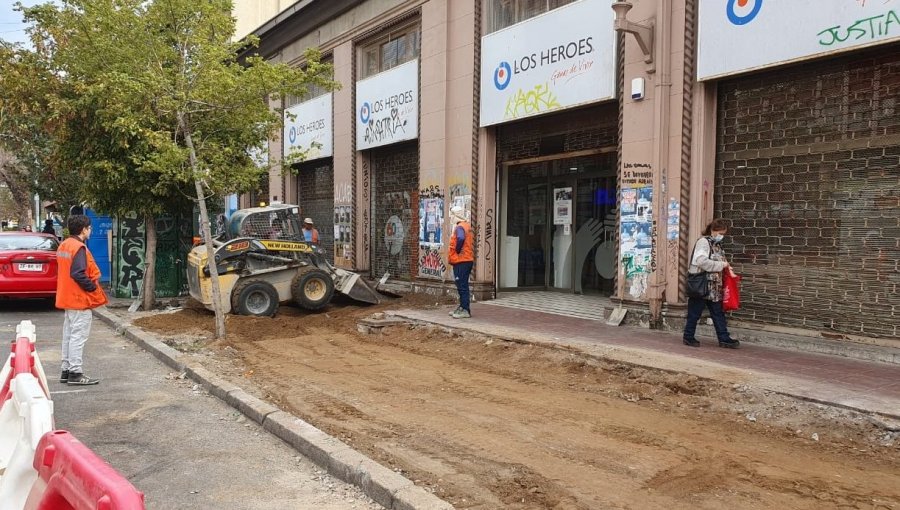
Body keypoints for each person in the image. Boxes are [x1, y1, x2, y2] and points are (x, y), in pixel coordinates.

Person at [56, 215, 108, 385]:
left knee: (69, 335)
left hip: (67, 298)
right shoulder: (79, 247)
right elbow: (78, 273)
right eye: (90, 228)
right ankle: (75, 373)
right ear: (84, 229)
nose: (90, 230)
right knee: (78, 337)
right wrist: (92, 288)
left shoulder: (64, 245)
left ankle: (66, 371)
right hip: (79, 299)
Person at [683, 218, 740, 349]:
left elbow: (721, 261)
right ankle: (688, 336)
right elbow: (701, 261)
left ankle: (724, 338)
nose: (722, 236)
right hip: (702, 285)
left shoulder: (716, 244)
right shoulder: (703, 242)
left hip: (714, 287)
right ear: (713, 230)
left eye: (724, 234)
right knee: (694, 313)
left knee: (718, 313)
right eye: (720, 233)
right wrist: (721, 265)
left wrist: (727, 267)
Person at [448, 205, 474, 319]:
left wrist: (457, 250)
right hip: (466, 260)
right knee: (463, 285)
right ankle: (463, 307)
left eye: (452, 215)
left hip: (461, 260)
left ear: (456, 215)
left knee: (461, 285)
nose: (451, 218)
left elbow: (461, 238)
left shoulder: (459, 227)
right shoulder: (466, 225)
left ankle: (465, 309)